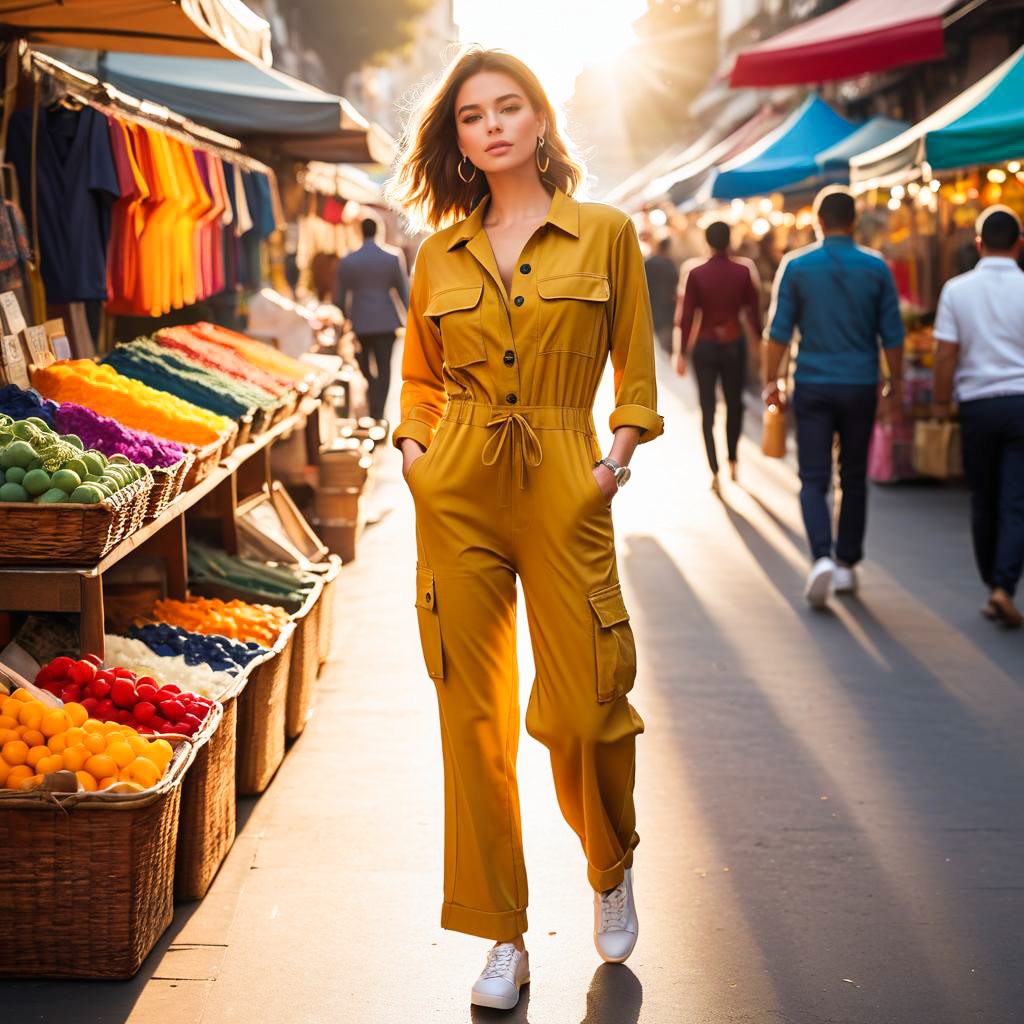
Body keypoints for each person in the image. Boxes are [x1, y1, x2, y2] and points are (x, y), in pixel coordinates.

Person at [385, 45, 662, 1011]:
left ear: (541, 122)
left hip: (563, 473)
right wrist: (416, 456)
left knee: (587, 704)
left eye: (510, 107)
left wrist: (615, 460)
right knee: (472, 714)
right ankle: (501, 934)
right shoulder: (438, 252)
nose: (493, 124)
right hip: (456, 480)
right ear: (457, 138)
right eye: (472, 115)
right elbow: (418, 377)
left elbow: (636, 371)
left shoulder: (606, 233)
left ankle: (608, 858)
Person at [763, 186, 904, 608]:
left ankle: (821, 555)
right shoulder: (876, 268)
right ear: (855, 221)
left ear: (817, 221)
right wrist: (893, 383)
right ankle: (845, 564)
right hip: (860, 384)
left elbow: (779, 333)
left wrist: (772, 381)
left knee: (813, 476)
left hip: (813, 385)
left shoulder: (797, 265)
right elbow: (892, 335)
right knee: (854, 476)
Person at [932, 206, 1024, 628]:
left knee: (982, 500)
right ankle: (1004, 585)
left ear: (978, 244)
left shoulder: (956, 290)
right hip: (1021, 404)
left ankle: (993, 584)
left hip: (977, 406)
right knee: (1016, 501)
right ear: (1019, 245)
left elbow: (945, 353)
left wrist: (939, 402)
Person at [674, 221, 761, 491]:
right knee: (735, 405)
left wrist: (680, 353)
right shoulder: (743, 271)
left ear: (707, 241)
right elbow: (754, 313)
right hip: (734, 344)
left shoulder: (695, 272)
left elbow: (686, 318)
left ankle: (714, 470)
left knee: (708, 409)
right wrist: (760, 344)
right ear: (730, 240)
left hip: (706, 347)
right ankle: (733, 460)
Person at [334, 216, 409, 420]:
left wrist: (342, 320)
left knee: (365, 367)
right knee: (385, 368)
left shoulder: (349, 261)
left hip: (361, 322)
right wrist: (412, 318)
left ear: (361, 231)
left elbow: (340, 297)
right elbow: (404, 292)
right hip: (386, 321)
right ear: (377, 231)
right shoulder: (392, 257)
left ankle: (373, 399)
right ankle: (378, 411)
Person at [644, 235, 679, 355]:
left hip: (652, 302)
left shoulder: (648, 262)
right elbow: (676, 281)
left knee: (658, 334)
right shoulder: (669, 263)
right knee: (666, 332)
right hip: (667, 302)